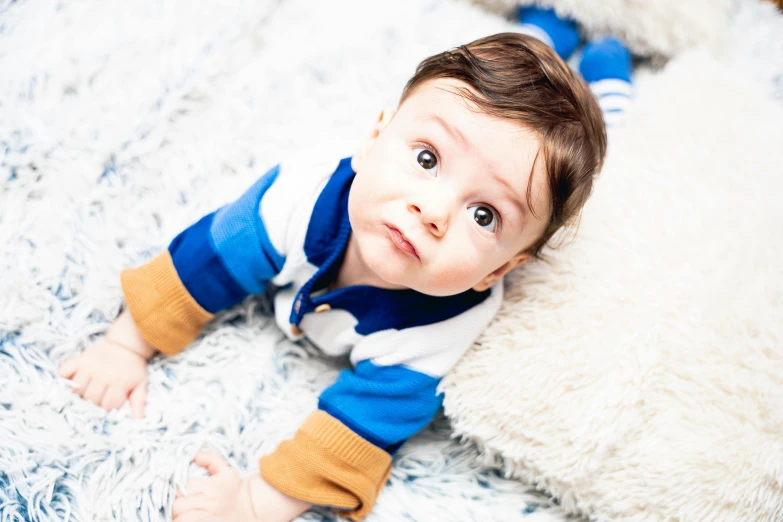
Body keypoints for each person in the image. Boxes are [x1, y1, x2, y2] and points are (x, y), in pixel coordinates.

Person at [58, 32, 607, 522]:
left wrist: (254, 504)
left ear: (501, 269)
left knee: (589, 129)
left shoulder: (444, 323)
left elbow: (360, 428)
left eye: (484, 215)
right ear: (372, 141)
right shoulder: (300, 197)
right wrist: (125, 344)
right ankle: (545, 32)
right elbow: (206, 261)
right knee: (525, 72)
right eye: (426, 158)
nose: (433, 210)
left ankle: (609, 83)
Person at [516, 5, 634, 127]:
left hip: (617, 23)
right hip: (550, 10)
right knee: (532, 38)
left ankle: (611, 120)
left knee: (605, 57)